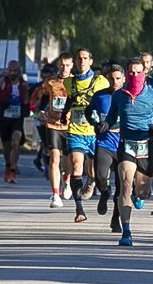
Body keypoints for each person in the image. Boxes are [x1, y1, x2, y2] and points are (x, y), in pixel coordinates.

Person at [101, 57, 153, 246]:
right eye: (131, 72)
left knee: (143, 191)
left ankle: (138, 194)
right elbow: (110, 117)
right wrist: (104, 125)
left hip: (147, 144)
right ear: (126, 74)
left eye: (138, 72)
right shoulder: (119, 96)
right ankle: (126, 232)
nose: (134, 76)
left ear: (144, 74)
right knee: (125, 184)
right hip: (126, 144)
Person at [63, 48, 110, 223]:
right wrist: (58, 113)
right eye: (79, 58)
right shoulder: (69, 83)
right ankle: (79, 209)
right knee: (76, 166)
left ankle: (93, 182)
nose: (82, 61)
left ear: (91, 61)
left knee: (96, 172)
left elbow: (108, 103)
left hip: (95, 132)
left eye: (85, 58)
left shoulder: (100, 81)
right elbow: (63, 102)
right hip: (75, 130)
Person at [88, 64, 126, 233]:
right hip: (104, 142)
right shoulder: (100, 95)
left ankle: (115, 219)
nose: (115, 81)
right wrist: (95, 123)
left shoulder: (129, 97)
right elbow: (89, 111)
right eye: (112, 78)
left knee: (122, 186)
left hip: (122, 145)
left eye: (118, 78)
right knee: (101, 177)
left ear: (124, 79)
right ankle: (104, 193)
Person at [0, 60, 28, 182]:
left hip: (17, 117)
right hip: (4, 117)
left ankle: (13, 170)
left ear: (19, 71)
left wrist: (26, 108)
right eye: (11, 70)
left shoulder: (23, 84)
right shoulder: (1, 82)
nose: (13, 73)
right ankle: (8, 166)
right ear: (7, 71)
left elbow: (26, 98)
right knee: (7, 146)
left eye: (15, 70)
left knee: (16, 142)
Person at [37, 56, 71, 208]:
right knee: (54, 158)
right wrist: (41, 111)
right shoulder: (50, 82)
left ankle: (67, 181)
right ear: (58, 66)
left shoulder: (76, 82)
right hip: (53, 125)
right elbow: (39, 98)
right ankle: (55, 194)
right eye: (61, 65)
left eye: (67, 65)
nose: (64, 68)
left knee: (68, 160)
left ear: (72, 66)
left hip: (71, 126)